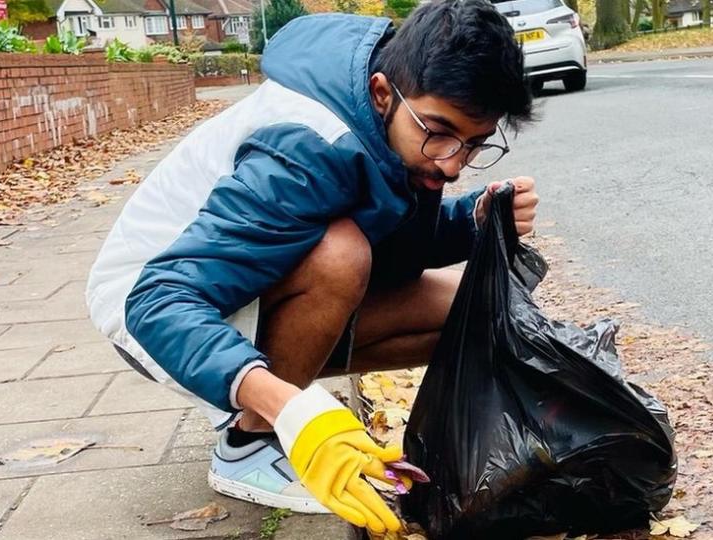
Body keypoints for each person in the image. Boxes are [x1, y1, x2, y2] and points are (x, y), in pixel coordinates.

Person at [86, 0, 538, 533]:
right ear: (381, 92)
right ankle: (248, 445)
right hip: (152, 309)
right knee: (341, 254)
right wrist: (294, 411)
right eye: (439, 132)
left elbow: (392, 253)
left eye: (475, 144)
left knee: (474, 310)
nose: (453, 162)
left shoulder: (390, 131)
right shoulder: (307, 147)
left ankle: (264, 405)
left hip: (241, 290)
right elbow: (158, 301)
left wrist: (472, 220)